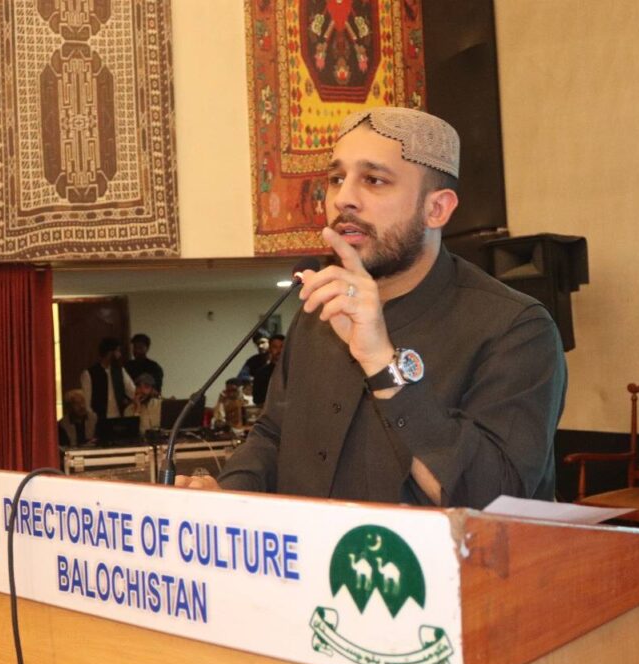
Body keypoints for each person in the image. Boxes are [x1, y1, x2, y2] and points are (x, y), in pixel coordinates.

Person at [177, 106, 566, 509]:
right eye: (336, 179)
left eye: (374, 180)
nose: (343, 199)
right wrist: (226, 494)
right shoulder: (319, 312)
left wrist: (382, 362)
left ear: (436, 209)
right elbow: (274, 436)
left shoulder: (515, 328)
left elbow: (496, 506)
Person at [80, 337, 136, 422]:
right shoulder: (89, 374)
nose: (119, 355)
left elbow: (132, 391)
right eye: (117, 351)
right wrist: (93, 419)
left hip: (119, 418)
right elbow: (87, 402)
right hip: (99, 419)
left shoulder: (120, 371)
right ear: (110, 353)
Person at [252, 334, 285, 406]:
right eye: (275, 347)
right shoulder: (261, 373)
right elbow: (257, 400)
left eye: (282, 347)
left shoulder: (293, 372)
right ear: (270, 349)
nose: (279, 350)